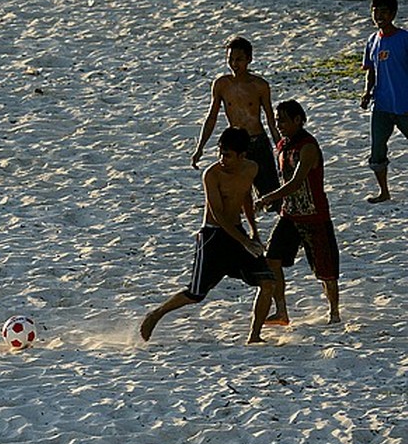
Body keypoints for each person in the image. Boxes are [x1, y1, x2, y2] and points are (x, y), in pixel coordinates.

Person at [140, 127, 275, 344]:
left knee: (267, 283)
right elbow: (218, 215)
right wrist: (245, 242)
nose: (222, 159)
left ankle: (255, 335)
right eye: (220, 152)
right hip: (213, 236)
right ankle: (156, 314)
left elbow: (246, 197)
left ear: (242, 155)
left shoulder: (251, 168)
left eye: (228, 155)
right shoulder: (212, 174)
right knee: (196, 294)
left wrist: (253, 231)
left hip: (239, 233)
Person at [254, 100, 339, 325]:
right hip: (289, 215)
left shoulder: (308, 147)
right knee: (271, 259)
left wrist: (267, 198)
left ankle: (334, 313)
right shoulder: (284, 145)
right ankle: (281, 311)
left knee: (326, 270)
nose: (279, 123)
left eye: (283, 119)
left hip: (315, 215)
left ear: (298, 120)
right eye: (277, 119)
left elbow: (295, 182)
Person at [191, 36, 281, 209]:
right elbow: (212, 117)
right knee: (235, 196)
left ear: (249, 59)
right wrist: (200, 147)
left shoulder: (259, 86)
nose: (234, 64)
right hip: (235, 143)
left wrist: (280, 145)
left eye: (238, 59)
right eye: (230, 60)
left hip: (258, 141)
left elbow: (271, 120)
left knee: (271, 196)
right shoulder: (222, 84)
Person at [360, 0, 408, 203]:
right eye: (375, 12)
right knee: (377, 150)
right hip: (381, 106)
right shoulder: (372, 41)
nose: (379, 16)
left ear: (393, 14)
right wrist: (367, 92)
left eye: (384, 12)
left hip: (405, 105)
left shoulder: (404, 39)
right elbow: (370, 71)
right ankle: (384, 192)